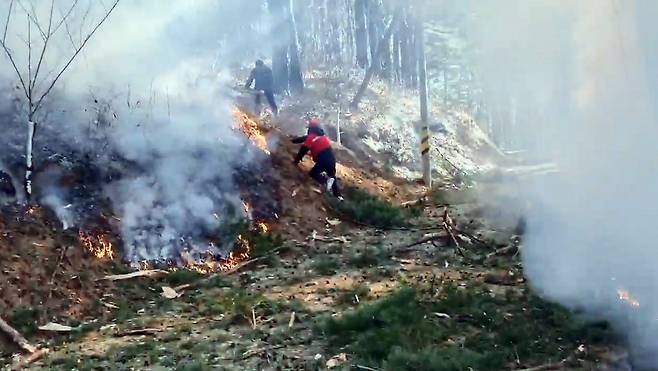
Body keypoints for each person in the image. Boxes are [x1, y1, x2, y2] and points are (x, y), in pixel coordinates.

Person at [292, 118, 343, 200]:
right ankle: (339, 196)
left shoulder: (311, 137)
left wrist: (296, 161)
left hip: (322, 159)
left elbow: (303, 150)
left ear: (310, 128)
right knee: (332, 176)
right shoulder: (322, 137)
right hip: (331, 159)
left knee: (313, 173)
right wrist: (293, 140)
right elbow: (304, 138)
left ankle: (326, 181)